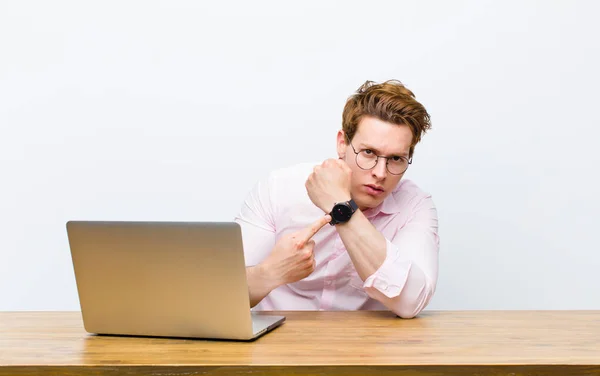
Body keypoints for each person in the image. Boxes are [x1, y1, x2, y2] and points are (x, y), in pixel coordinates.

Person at [234, 80, 439, 318]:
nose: (381, 173)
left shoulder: (415, 206)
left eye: (395, 159)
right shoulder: (280, 188)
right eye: (369, 153)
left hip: (363, 351)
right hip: (275, 346)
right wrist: (271, 272)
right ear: (343, 143)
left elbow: (410, 303)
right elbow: (221, 293)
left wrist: (342, 207)